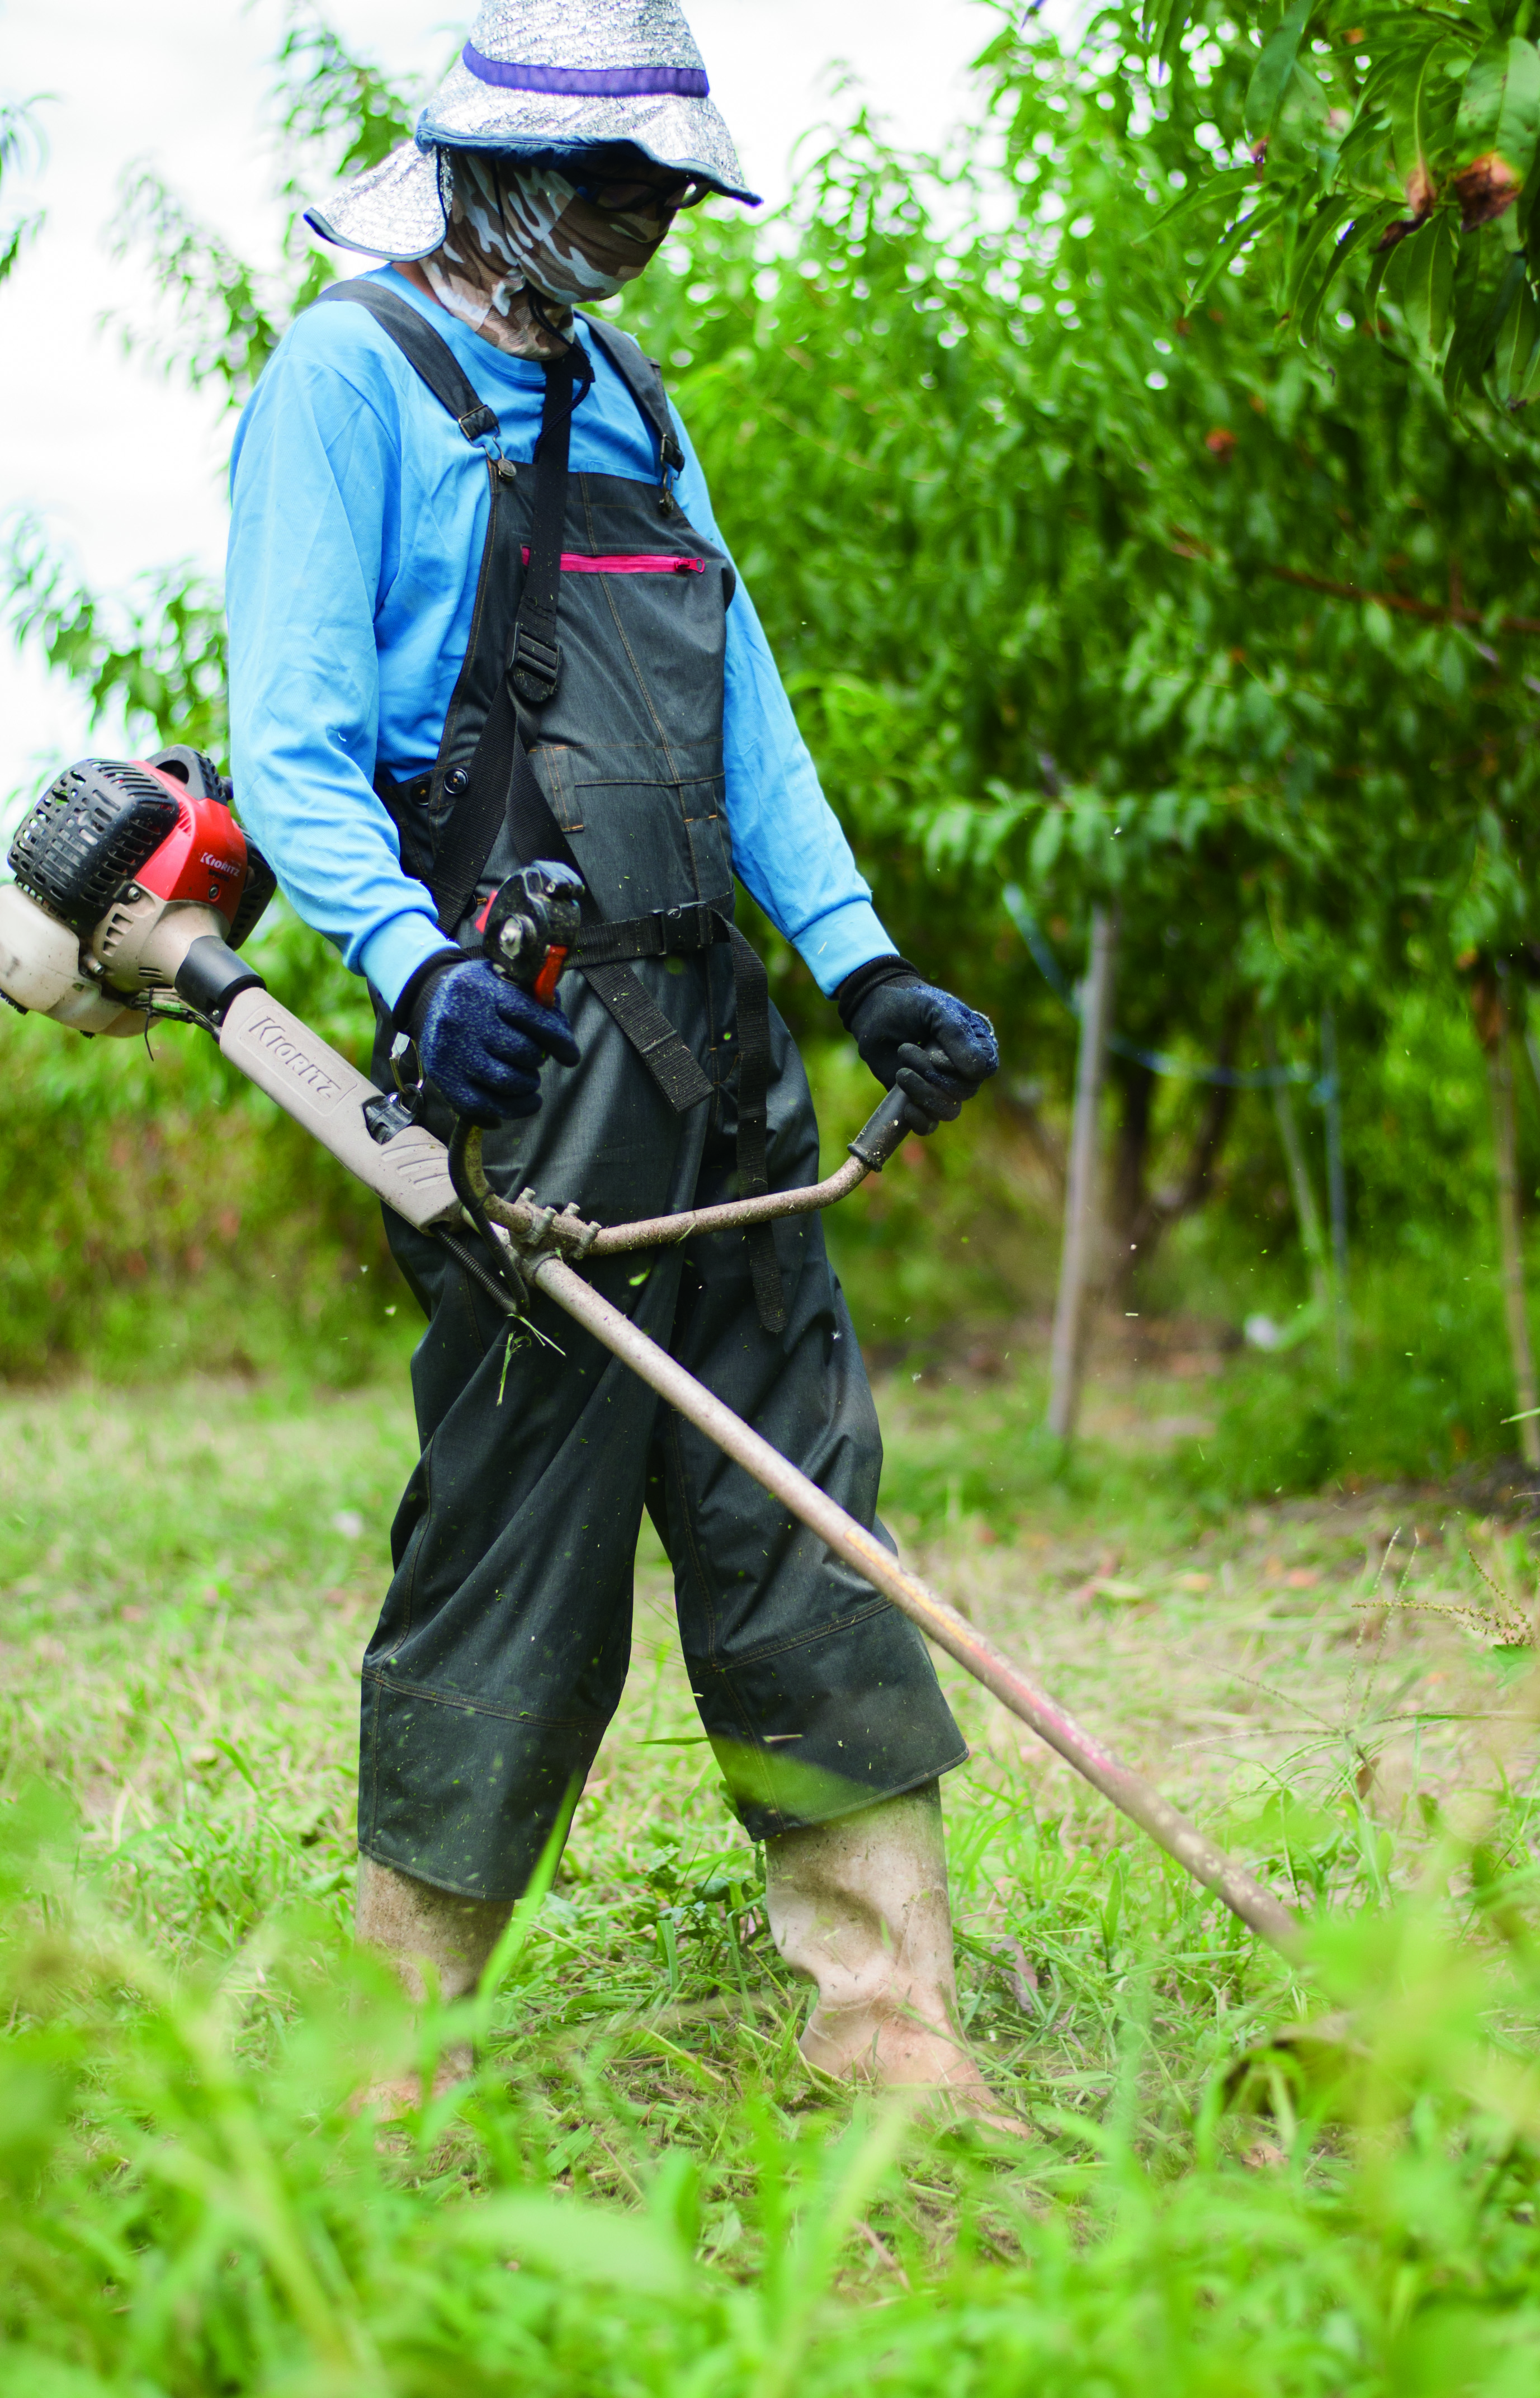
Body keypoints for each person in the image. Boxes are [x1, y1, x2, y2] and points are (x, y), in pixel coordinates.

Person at [226, 0, 1007, 2117]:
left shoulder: (631, 395)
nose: (652, 223)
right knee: (516, 1539)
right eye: (616, 184)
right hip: (517, 1049)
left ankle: (897, 2037)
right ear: (487, 169)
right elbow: (292, 744)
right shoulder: (346, 382)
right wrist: (404, 965)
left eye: (671, 188)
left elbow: (740, 709)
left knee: (805, 1525)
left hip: (718, 1041)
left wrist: (861, 967)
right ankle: (386, 2079)